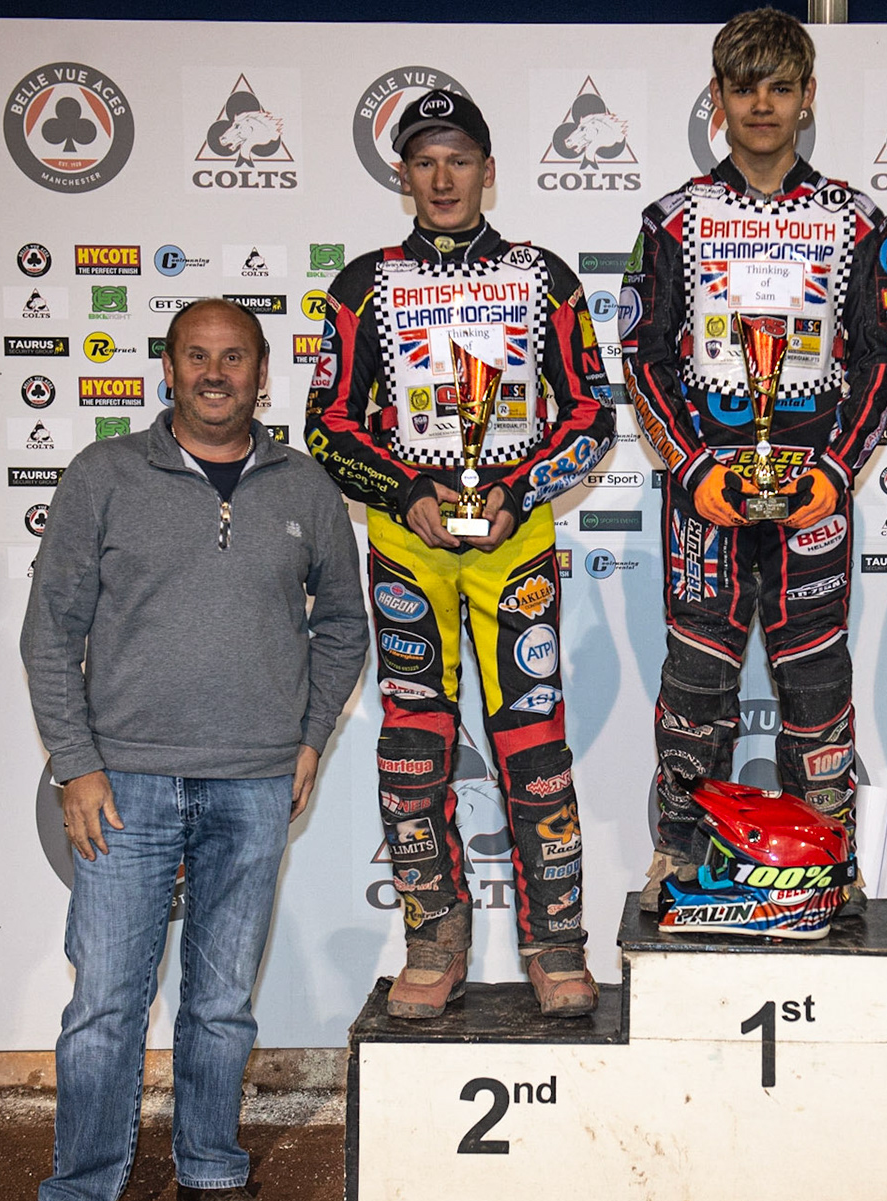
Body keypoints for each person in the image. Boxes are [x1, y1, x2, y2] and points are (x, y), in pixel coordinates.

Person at [2, 298, 368, 1201]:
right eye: (197, 356)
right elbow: (51, 633)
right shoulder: (104, 476)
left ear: (261, 374)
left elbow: (342, 626)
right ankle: (79, 1194)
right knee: (106, 1003)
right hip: (126, 784)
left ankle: (210, 1173)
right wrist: (75, 765)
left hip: (253, 785)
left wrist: (307, 740)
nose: (216, 373)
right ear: (168, 370)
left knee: (220, 1001)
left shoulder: (306, 485)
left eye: (234, 358)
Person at [305, 90, 615, 1018]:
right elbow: (326, 424)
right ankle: (433, 943)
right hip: (410, 545)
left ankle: (556, 945)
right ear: (402, 176)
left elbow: (593, 414)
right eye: (424, 161)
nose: (442, 178)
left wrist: (520, 489)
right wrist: (405, 492)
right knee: (413, 749)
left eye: (459, 159)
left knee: (532, 744)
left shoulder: (544, 276)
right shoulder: (363, 285)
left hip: (513, 541)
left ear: (489, 170)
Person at [621, 7, 887, 909]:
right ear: (718, 97)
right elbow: (644, 356)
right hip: (704, 495)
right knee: (694, 689)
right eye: (745, 87)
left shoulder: (856, 219)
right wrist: (693, 466)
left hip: (812, 493)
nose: (762, 104)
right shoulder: (672, 220)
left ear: (808, 96)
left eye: (781, 87)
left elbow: (880, 357)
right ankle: (680, 859)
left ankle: (829, 864)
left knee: (818, 685)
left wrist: (834, 469)